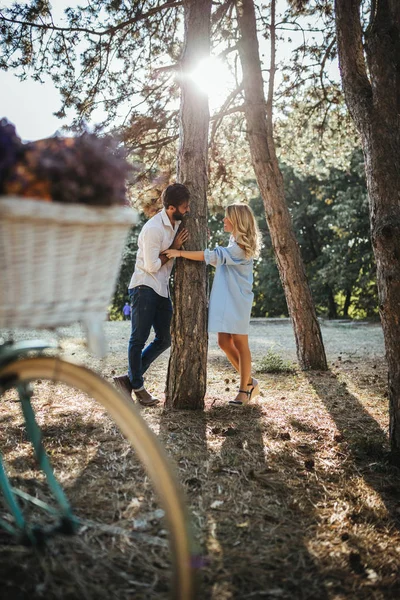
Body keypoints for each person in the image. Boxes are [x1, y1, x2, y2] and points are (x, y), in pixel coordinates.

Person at [164, 203, 261, 406]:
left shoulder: (240, 248)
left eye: (227, 217)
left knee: (241, 344)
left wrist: (179, 253)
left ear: (236, 221)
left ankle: (244, 391)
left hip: (238, 301)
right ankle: (250, 382)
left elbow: (211, 257)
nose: (224, 220)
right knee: (224, 342)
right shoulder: (233, 241)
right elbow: (217, 258)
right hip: (228, 299)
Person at [114, 183, 190, 406]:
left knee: (165, 339)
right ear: (171, 207)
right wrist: (174, 248)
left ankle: (127, 381)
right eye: (184, 207)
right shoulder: (153, 229)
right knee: (138, 338)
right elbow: (151, 265)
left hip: (162, 289)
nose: (187, 210)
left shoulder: (176, 223)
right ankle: (137, 386)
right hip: (144, 287)